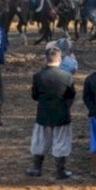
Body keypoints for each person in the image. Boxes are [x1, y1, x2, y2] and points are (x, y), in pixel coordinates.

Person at [26, 46, 76, 180]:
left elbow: (34, 96)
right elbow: (71, 96)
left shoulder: (38, 76)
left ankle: (37, 168)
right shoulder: (67, 76)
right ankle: (60, 171)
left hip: (43, 113)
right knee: (61, 142)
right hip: (61, 113)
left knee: (40, 141)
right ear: (59, 58)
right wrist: (66, 108)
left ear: (46, 59)